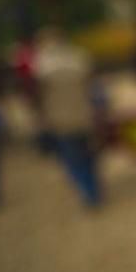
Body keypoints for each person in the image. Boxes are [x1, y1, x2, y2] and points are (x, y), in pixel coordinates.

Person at [34, 27, 102, 207]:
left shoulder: (42, 64)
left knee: (73, 157)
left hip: (60, 119)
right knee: (88, 155)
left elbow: (39, 95)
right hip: (84, 114)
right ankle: (93, 189)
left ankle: (87, 191)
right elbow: (93, 88)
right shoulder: (78, 57)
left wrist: (42, 117)